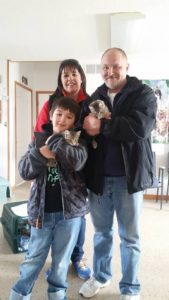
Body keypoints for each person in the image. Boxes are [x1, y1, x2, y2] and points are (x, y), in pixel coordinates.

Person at [79, 48, 157, 300]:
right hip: (99, 180)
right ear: (100, 69)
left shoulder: (143, 94)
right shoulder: (95, 96)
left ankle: (130, 288)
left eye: (116, 66)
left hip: (128, 179)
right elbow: (83, 129)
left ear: (126, 66)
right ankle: (101, 276)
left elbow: (138, 128)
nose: (110, 71)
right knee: (101, 234)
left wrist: (101, 125)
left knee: (129, 237)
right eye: (105, 67)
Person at [9, 96, 89, 300]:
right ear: (51, 115)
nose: (62, 119)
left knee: (61, 261)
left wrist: (55, 143)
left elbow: (77, 161)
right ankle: (19, 294)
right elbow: (24, 171)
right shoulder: (37, 140)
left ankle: (57, 294)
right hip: (41, 213)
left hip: (70, 215)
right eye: (58, 114)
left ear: (74, 122)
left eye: (69, 116)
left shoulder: (78, 142)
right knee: (33, 258)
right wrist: (40, 153)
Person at [34, 59, 91, 280]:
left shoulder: (91, 101)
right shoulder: (51, 103)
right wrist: (39, 158)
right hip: (55, 164)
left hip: (84, 161)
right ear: (60, 79)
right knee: (59, 213)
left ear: (81, 77)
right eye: (65, 74)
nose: (70, 78)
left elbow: (102, 125)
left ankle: (78, 257)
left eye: (74, 74)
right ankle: (60, 259)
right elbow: (39, 133)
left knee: (79, 213)